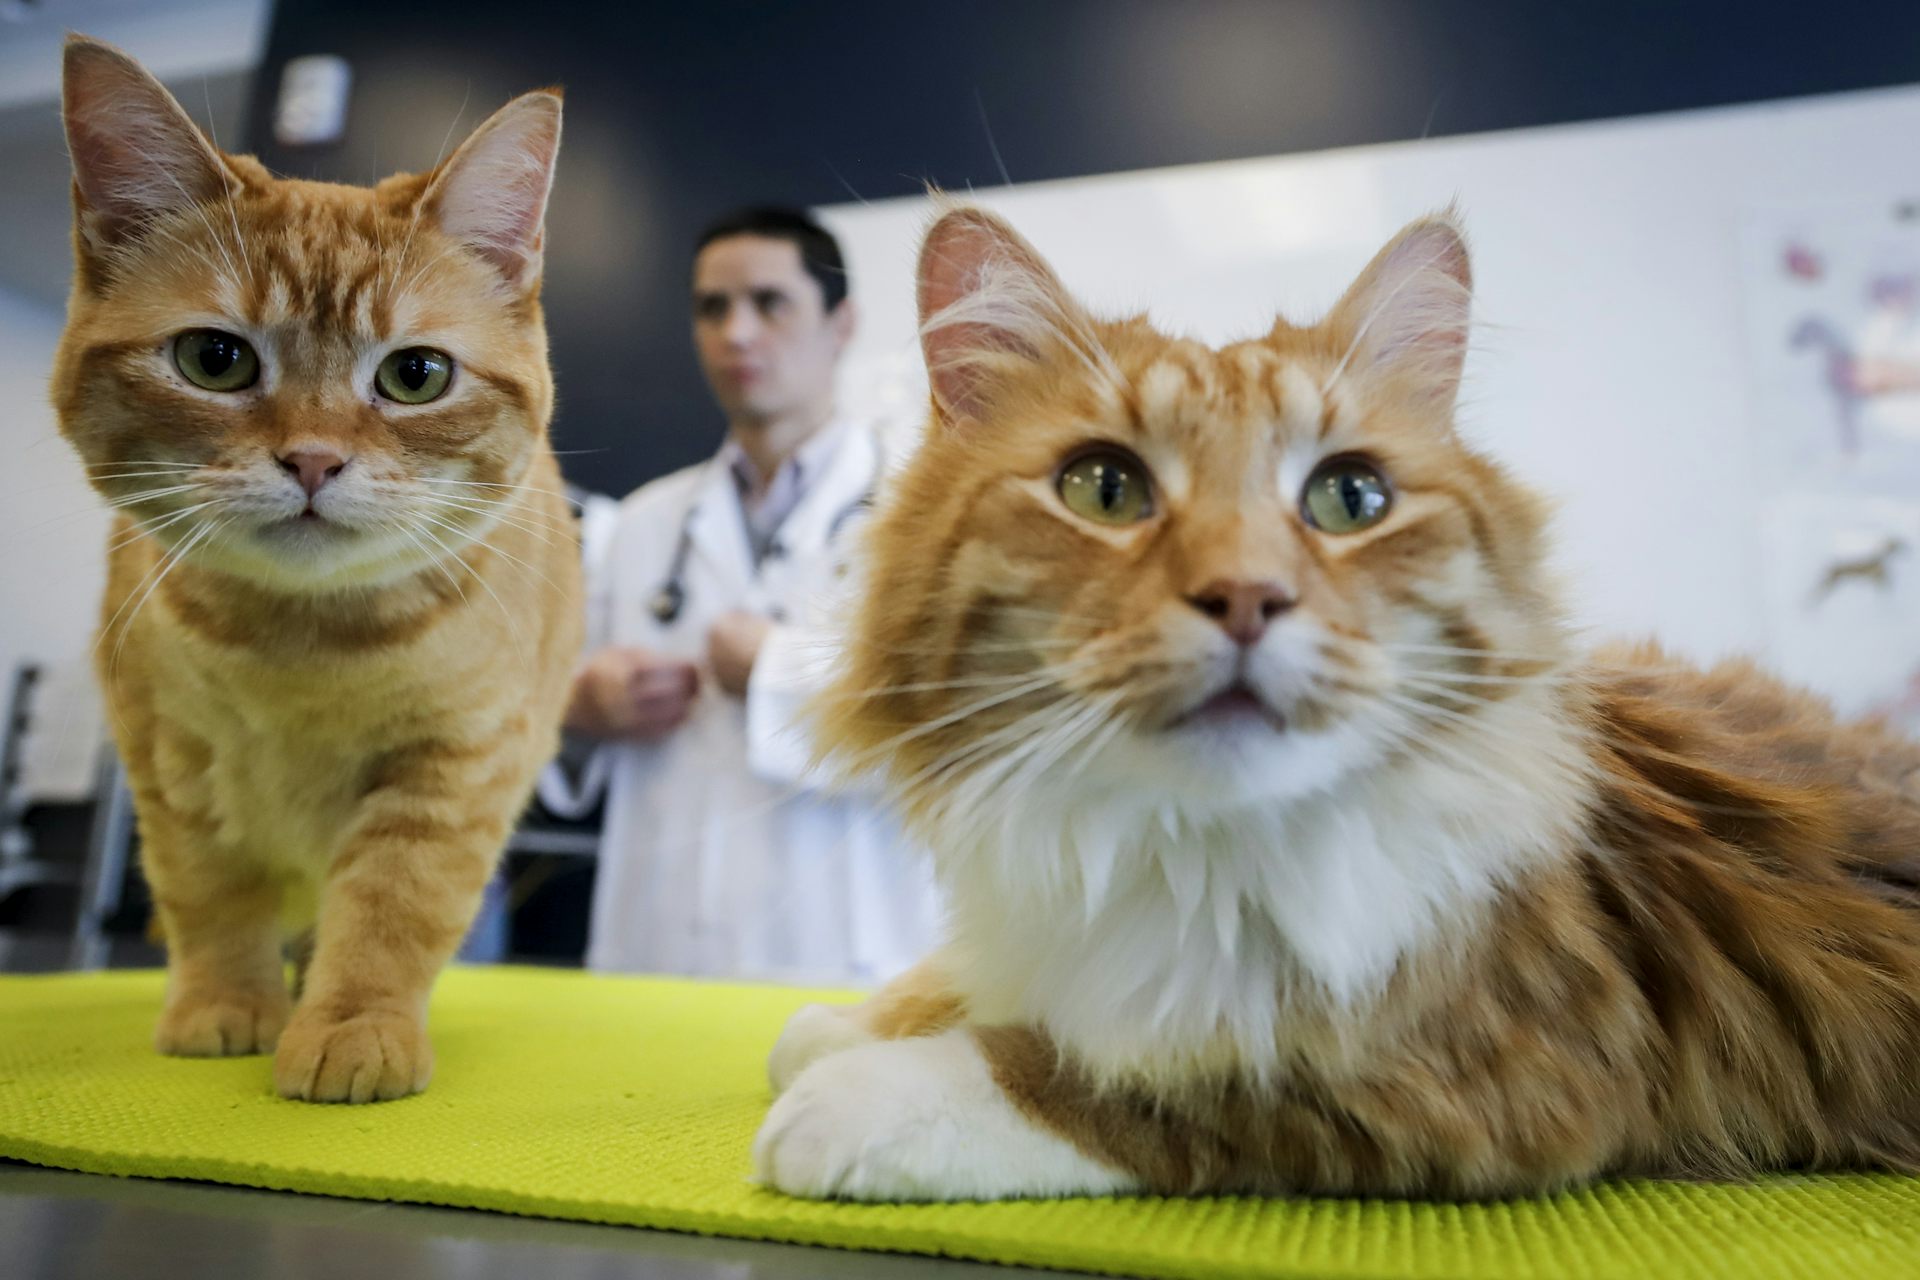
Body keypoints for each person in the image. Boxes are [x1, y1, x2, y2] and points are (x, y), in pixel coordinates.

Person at [562, 207, 935, 983]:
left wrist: (776, 669)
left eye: (770, 303)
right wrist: (584, 710)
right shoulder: (642, 524)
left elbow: (950, 720)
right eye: (712, 308)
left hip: (849, 964)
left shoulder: (925, 511)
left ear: (841, 323)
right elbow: (556, 725)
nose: (736, 333)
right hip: (657, 956)